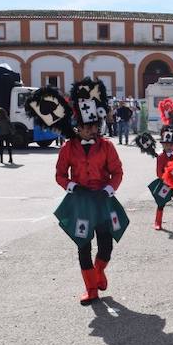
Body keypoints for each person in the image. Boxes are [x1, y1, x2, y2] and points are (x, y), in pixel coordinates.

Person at [52, 78, 126, 305]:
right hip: (81, 202)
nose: (90, 131)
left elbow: (118, 172)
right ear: (78, 127)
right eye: (85, 127)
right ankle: (91, 289)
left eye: (93, 126)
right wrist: (71, 186)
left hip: (102, 201)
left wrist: (109, 189)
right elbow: (60, 174)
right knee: (83, 246)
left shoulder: (107, 146)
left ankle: (99, 270)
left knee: (106, 245)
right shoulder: (68, 147)